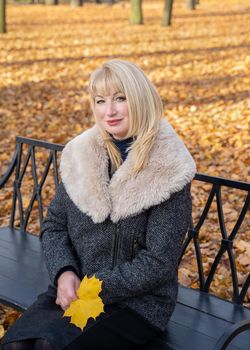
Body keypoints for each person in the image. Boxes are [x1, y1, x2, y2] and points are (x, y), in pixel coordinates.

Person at [1, 60, 196, 350]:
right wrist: (64, 272)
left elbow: (158, 262)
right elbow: (54, 226)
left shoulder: (168, 167)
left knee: (49, 345)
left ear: (140, 99)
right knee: (18, 344)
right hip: (74, 287)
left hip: (138, 303)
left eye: (120, 98)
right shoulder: (82, 154)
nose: (109, 111)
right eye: (100, 101)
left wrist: (95, 288)